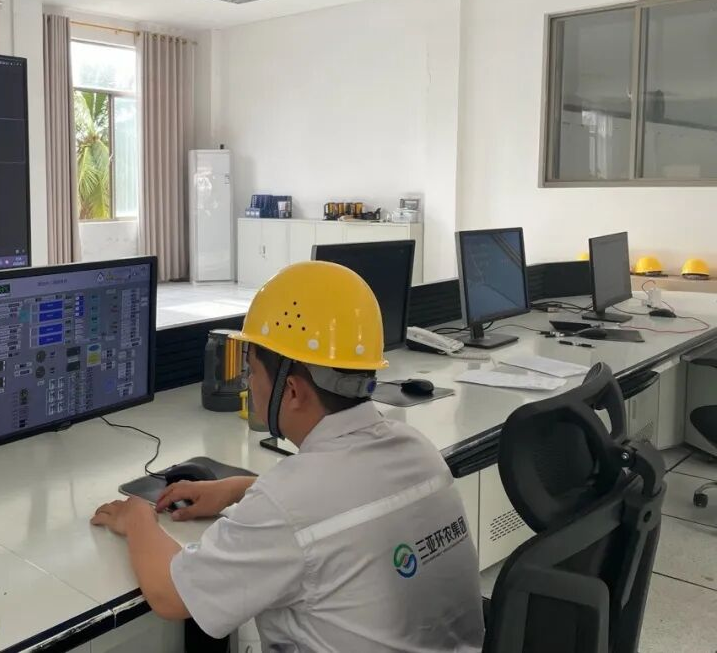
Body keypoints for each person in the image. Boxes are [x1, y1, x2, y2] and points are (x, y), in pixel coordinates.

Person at [91, 261, 484, 651]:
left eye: (251, 372)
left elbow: (172, 596)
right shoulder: (416, 447)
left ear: (292, 391)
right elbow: (340, 500)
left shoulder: (288, 502)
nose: (248, 384)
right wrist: (239, 488)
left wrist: (138, 518)